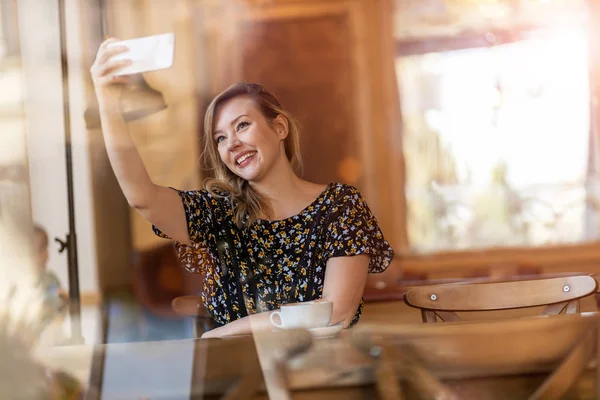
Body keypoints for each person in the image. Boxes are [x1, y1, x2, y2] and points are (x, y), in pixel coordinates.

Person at [90, 38, 394, 338]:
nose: (232, 143)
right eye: (220, 138)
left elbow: (336, 314)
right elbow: (142, 197)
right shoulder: (218, 213)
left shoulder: (340, 206)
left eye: (242, 125)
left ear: (279, 128)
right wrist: (107, 102)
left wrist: (228, 332)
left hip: (318, 378)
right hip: (235, 375)